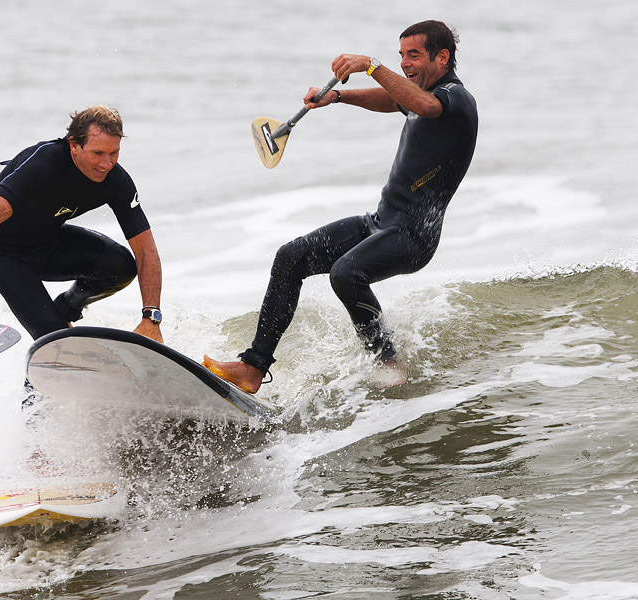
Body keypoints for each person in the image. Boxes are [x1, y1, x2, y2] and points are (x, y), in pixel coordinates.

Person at [204, 20, 478, 392]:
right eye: (401, 56)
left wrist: (371, 64)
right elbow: (395, 99)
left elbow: (424, 106)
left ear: (442, 57)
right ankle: (252, 368)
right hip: (382, 221)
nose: (405, 64)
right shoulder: (419, 92)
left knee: (346, 273)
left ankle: (389, 364)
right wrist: (337, 97)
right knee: (291, 257)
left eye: (413, 55)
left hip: (414, 235)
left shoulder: (455, 99)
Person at [0, 105, 164, 343]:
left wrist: (151, 317)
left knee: (119, 265)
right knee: (57, 341)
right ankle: (46, 354)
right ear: (74, 145)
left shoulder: (116, 181)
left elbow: (145, 250)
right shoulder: (43, 165)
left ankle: (66, 308)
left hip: (47, 243)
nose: (107, 163)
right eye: (98, 153)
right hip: (4, 256)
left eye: (114, 153)